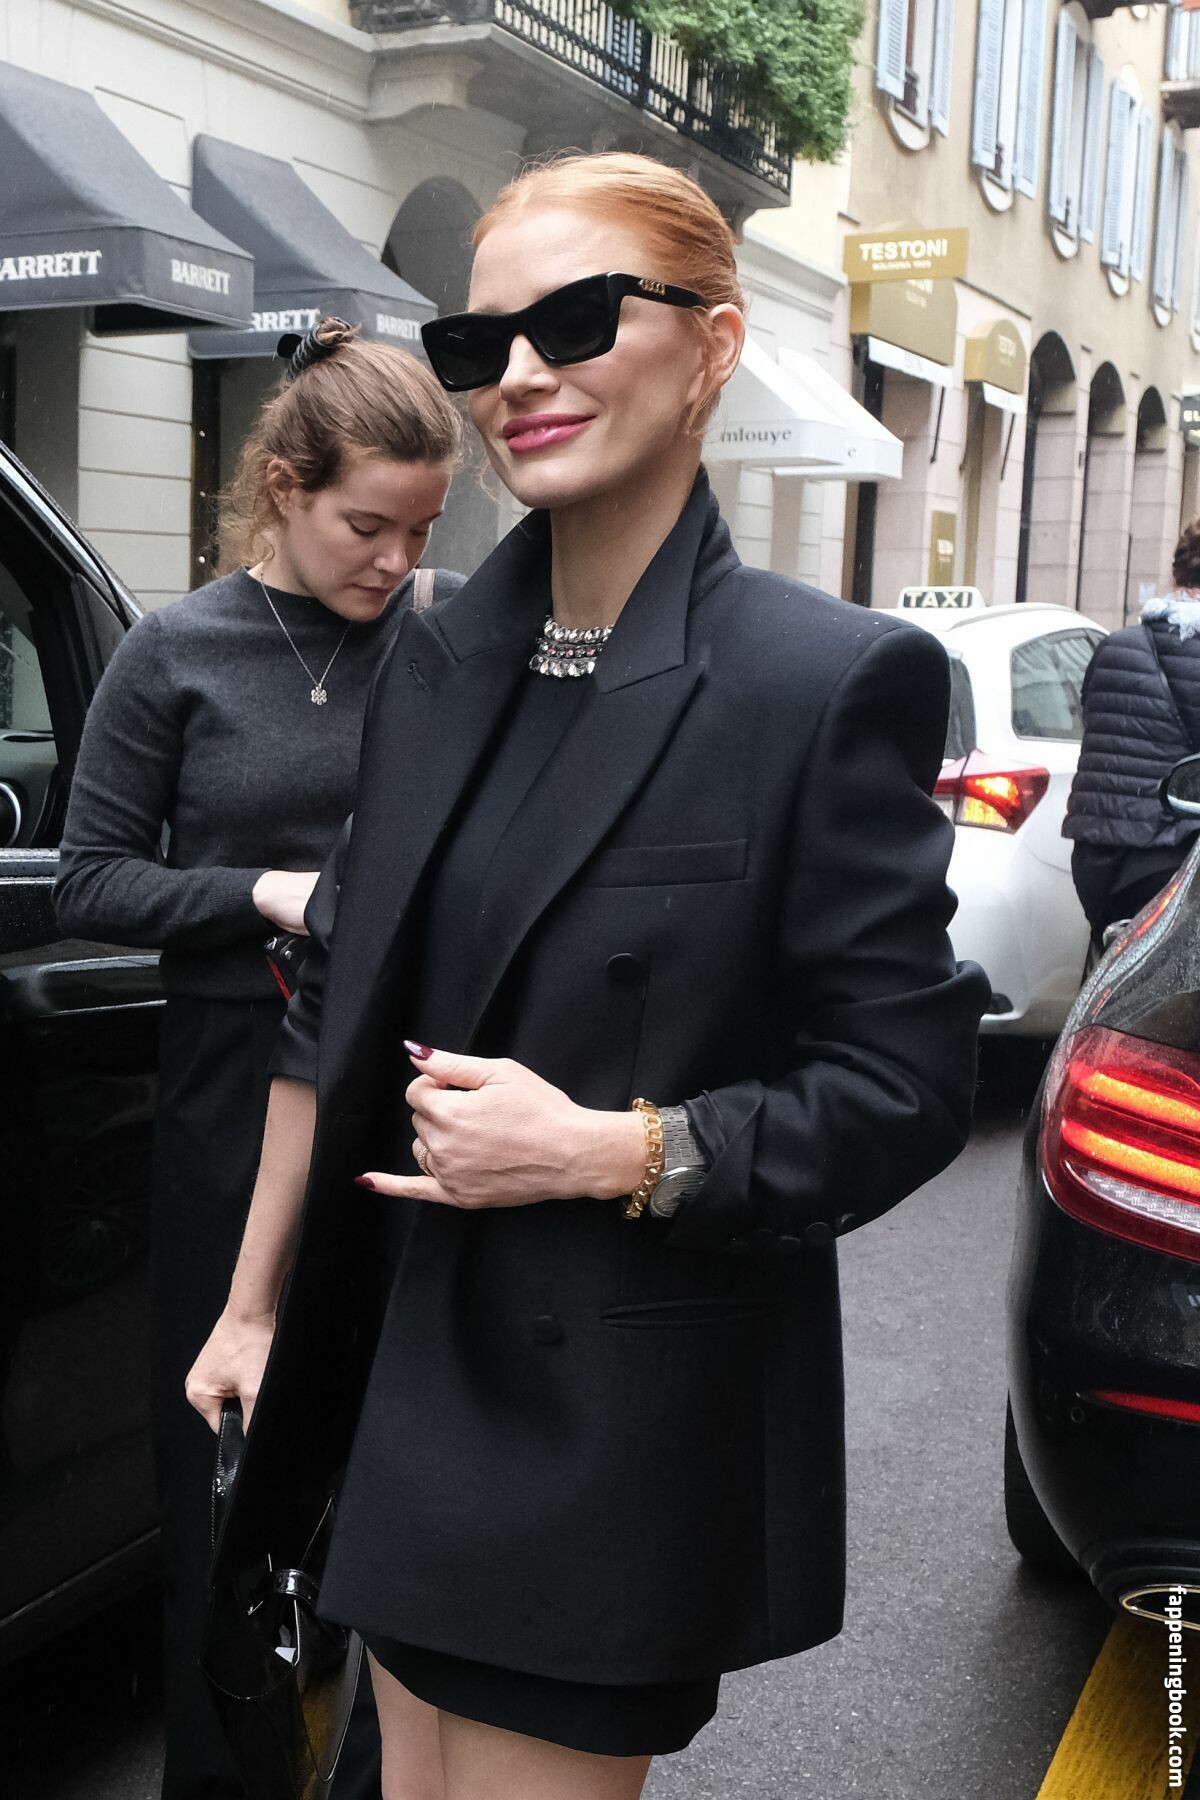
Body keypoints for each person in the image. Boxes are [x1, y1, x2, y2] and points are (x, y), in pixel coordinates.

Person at [188, 154, 989, 1800]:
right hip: (395, 1392)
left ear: (712, 347)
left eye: (575, 321)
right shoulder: (437, 660)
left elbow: (904, 1085)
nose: (519, 375)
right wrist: (255, 1307)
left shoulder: (821, 681)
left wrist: (619, 1148)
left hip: (607, 1431)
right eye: (479, 342)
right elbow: (339, 1004)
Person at [52, 317, 463, 1800]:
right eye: (367, 526)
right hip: (232, 1095)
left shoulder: (445, 641)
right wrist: (265, 894)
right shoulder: (177, 651)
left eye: (423, 530)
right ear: (285, 487)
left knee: (398, 1484)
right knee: (231, 1484)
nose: (396, 561)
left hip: (413, 1088)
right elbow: (91, 882)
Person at [1065, 516, 1200, 942]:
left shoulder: (1115, 646)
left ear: (1175, 575)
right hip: (1178, 864)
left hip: (1099, 863)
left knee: (1113, 971)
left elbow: (1093, 724)